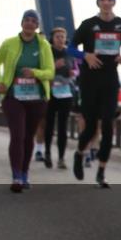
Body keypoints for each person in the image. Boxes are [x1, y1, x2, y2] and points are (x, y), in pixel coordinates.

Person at [68, 0, 121, 189]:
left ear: (114, 2)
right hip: (89, 80)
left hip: (110, 78)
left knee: (107, 125)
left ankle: (101, 171)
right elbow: (70, 48)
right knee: (90, 127)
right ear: (98, 3)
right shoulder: (88, 25)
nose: (106, 3)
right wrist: (85, 56)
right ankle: (79, 153)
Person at [0, 10, 54, 192]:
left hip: (36, 98)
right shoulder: (10, 43)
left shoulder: (43, 45)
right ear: (21, 23)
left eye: (33, 21)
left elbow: (50, 72)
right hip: (13, 96)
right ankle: (16, 176)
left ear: (37, 26)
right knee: (18, 135)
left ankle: (25, 172)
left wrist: (35, 73)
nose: (29, 23)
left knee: (29, 137)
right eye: (26, 20)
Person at [44, 27, 75, 169]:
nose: (60, 39)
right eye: (57, 36)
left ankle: (61, 158)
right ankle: (48, 154)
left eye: (63, 36)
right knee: (49, 125)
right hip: (50, 92)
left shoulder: (69, 52)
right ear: (52, 38)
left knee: (63, 127)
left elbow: (77, 69)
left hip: (65, 92)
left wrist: (73, 73)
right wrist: (54, 67)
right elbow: (41, 69)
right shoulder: (46, 51)